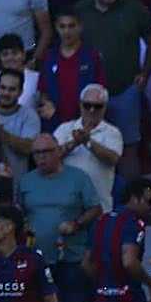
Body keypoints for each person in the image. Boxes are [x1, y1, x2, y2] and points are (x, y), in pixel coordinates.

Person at [76, 0, 151, 179]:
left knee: (128, 144)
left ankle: (130, 196)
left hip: (125, 88)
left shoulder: (135, 8)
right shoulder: (79, 10)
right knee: (84, 142)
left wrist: (146, 73)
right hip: (89, 91)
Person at [18, 133, 103, 302]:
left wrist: (76, 224)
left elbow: (95, 208)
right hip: (38, 260)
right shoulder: (26, 181)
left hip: (72, 259)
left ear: (58, 151)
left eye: (47, 151)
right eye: (37, 153)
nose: (42, 157)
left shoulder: (78, 177)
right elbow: (20, 212)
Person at [84, 176, 151, 302]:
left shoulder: (100, 221)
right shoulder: (134, 223)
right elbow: (129, 262)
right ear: (134, 199)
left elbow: (86, 263)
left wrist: (105, 284)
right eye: (149, 201)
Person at [55, 84, 123, 213]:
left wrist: (88, 143)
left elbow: (113, 158)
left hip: (99, 207)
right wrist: (74, 143)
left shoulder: (112, 132)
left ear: (105, 107)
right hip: (66, 206)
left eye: (97, 106)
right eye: (87, 105)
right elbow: (52, 157)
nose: (92, 110)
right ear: (80, 105)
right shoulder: (64, 129)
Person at [36, 9, 106, 127]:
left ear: (80, 27)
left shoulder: (92, 56)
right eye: (62, 26)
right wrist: (46, 104)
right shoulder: (49, 57)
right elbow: (43, 90)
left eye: (71, 26)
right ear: (56, 28)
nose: (67, 31)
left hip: (85, 123)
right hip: (54, 123)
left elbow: (100, 89)